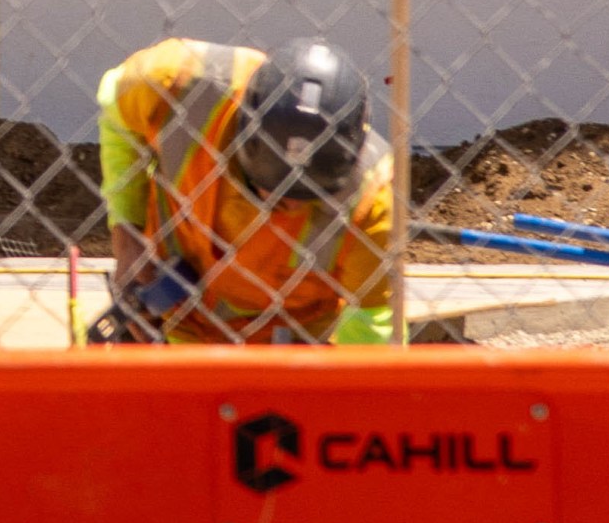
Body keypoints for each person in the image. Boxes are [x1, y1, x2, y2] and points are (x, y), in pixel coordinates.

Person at [90, 35, 396, 343]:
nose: (289, 202)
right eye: (273, 187)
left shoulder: (371, 198)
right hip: (173, 322)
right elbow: (115, 108)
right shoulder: (182, 81)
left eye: (306, 194)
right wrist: (127, 236)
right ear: (246, 133)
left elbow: (371, 328)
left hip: (287, 353)